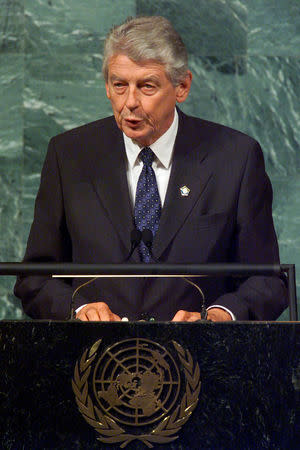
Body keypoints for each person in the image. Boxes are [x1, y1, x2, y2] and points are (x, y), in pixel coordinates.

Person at [14, 16, 287, 322]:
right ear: (106, 86)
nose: (130, 102)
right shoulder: (69, 155)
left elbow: (267, 281)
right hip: (93, 360)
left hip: (200, 361)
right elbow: (33, 278)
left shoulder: (235, 158)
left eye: (146, 86)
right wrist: (78, 310)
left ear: (182, 86)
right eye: (119, 85)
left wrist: (220, 317)